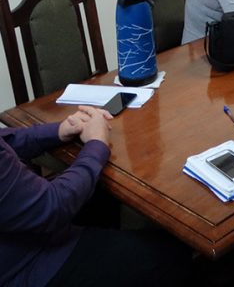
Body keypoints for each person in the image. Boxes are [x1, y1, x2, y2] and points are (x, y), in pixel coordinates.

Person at [0, 105, 197, 286]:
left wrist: (59, 130)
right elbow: (52, 206)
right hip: (30, 265)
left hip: (24, 230)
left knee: (103, 193)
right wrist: (96, 144)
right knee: (174, 254)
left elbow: (6, 140)